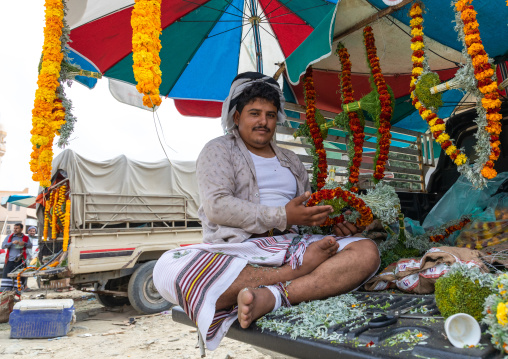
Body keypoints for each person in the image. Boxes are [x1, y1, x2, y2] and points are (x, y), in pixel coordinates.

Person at [153, 72, 380, 350]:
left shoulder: (291, 160)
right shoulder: (218, 150)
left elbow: (305, 214)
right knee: (166, 269)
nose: (263, 122)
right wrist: (283, 216)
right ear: (236, 117)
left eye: (271, 115)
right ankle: (295, 274)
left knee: (366, 251)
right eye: (255, 113)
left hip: (292, 244)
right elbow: (217, 207)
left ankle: (271, 296)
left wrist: (333, 225)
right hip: (239, 249)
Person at [1, 223, 32, 291]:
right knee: (7, 275)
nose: (15, 230)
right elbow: (3, 246)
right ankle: (6, 290)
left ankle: (21, 288)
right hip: (11, 260)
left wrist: (24, 243)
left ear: (21, 229)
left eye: (17, 228)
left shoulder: (26, 238)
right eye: (14, 228)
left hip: (21, 260)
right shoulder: (10, 237)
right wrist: (12, 243)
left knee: (22, 275)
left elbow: (30, 246)